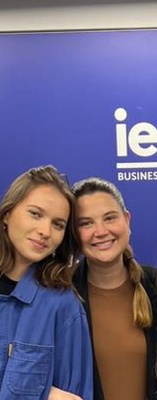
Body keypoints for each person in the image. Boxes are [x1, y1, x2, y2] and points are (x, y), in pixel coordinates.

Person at [0, 165, 93, 400]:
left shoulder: (63, 306)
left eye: (58, 224)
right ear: (7, 214)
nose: (44, 231)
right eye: (35, 214)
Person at [71, 177, 157, 400]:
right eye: (86, 223)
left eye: (110, 218)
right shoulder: (60, 292)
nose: (100, 231)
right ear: (73, 233)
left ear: (127, 220)